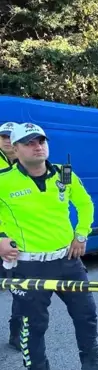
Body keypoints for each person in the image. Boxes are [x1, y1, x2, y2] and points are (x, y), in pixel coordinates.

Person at [0, 123, 98, 370]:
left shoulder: (64, 173)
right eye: (28, 142)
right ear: (15, 149)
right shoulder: (3, 180)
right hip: (28, 266)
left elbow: (85, 203)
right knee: (33, 328)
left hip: (67, 261)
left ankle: (92, 366)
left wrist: (81, 234)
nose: (37, 146)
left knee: (86, 314)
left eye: (41, 140)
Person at [0, 121, 22, 350]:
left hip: (17, 240)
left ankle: (16, 333)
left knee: (19, 288)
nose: (6, 139)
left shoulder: (27, 164)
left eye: (10, 136)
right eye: (2, 136)